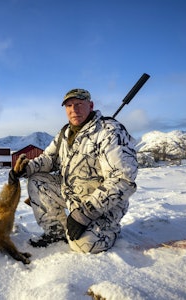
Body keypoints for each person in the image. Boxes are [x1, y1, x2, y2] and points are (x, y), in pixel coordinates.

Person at [9, 88, 138, 253]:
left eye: (78, 104)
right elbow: (49, 159)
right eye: (69, 106)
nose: (73, 110)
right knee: (37, 180)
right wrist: (25, 169)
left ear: (90, 106)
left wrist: (84, 214)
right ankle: (56, 233)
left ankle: (108, 231)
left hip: (102, 205)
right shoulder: (65, 132)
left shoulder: (110, 131)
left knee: (84, 245)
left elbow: (123, 180)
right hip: (73, 195)